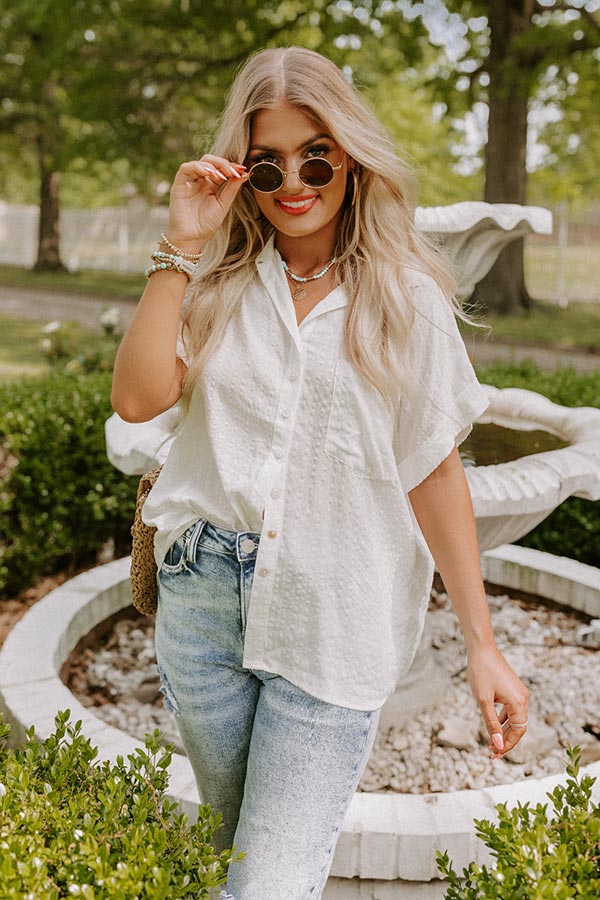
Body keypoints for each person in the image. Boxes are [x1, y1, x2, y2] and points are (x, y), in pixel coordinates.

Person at [111, 45, 529, 900]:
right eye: (268, 163)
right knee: (233, 852)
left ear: (352, 160)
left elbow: (434, 471)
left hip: (335, 616)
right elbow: (138, 398)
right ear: (243, 169)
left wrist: (482, 645)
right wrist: (180, 243)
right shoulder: (217, 279)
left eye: (317, 157)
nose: (294, 182)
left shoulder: (405, 296)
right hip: (201, 604)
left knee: (266, 884)